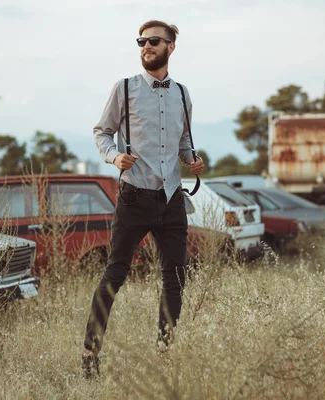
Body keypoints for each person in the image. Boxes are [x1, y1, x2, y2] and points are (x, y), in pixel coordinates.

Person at [82, 19, 204, 378]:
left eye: (153, 41)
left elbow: (183, 144)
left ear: (171, 47)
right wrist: (114, 157)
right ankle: (90, 356)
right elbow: (102, 132)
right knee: (115, 274)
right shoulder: (124, 89)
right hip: (134, 197)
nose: (145, 47)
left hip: (172, 200)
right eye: (141, 41)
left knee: (176, 277)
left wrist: (192, 160)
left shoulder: (183, 94)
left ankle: (165, 353)